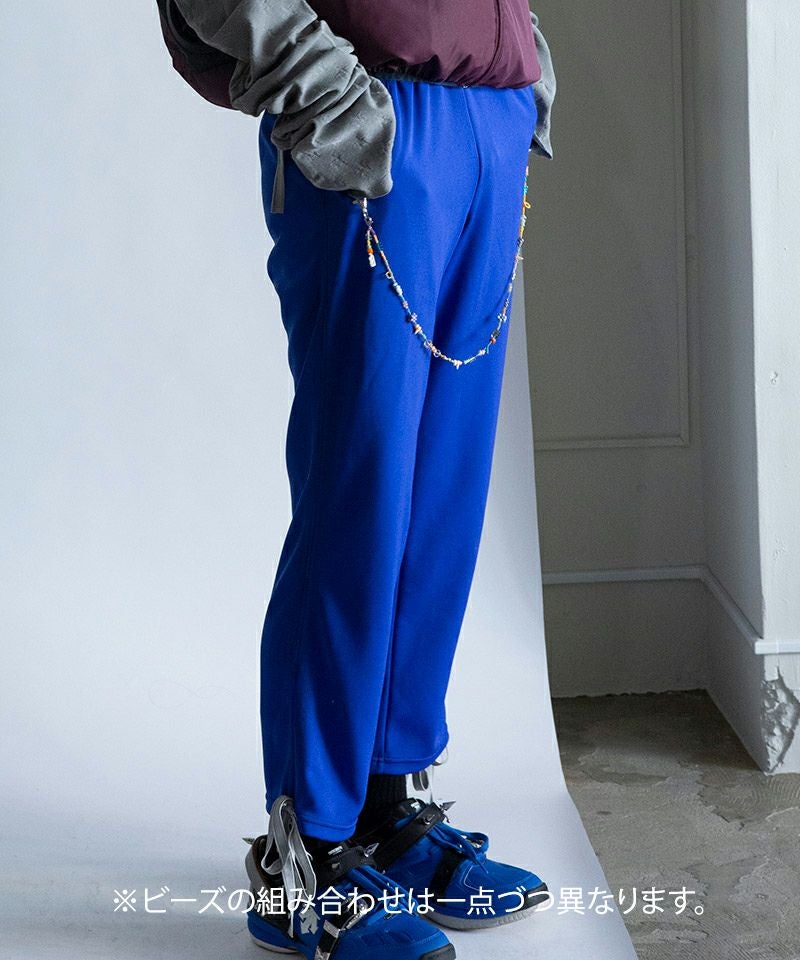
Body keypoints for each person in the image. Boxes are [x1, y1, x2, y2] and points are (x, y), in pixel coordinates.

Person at [169, 2, 556, 957]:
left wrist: (523, 71)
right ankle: (304, 858)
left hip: (486, 113)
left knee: (440, 502)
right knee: (360, 497)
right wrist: (326, 96)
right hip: (372, 120)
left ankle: (385, 812)